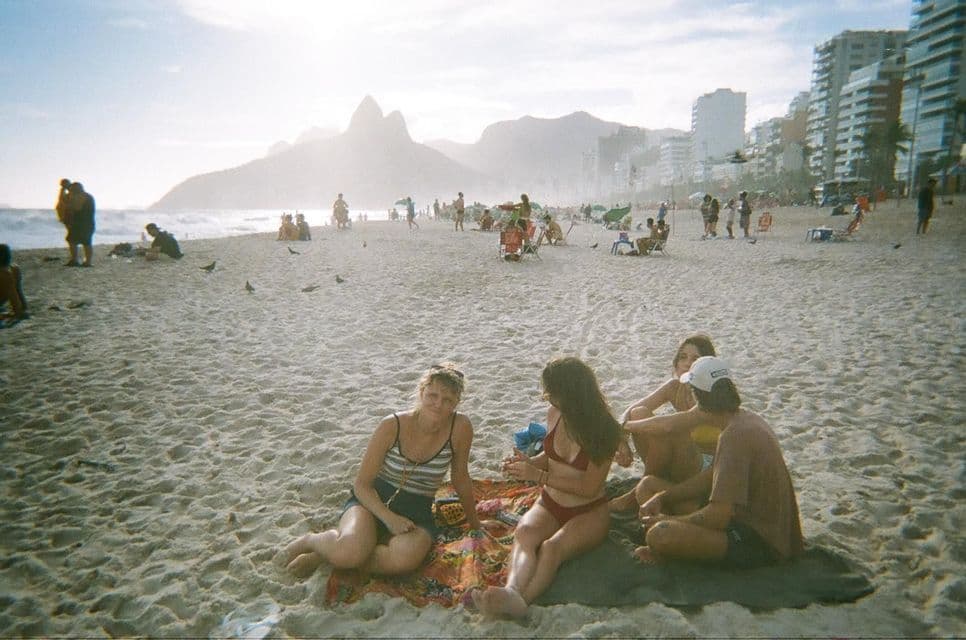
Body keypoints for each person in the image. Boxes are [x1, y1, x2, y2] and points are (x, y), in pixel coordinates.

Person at [284, 363, 484, 578]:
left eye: (447, 400)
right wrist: (388, 518)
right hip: (371, 502)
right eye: (432, 395)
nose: (438, 404)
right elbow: (361, 485)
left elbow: (460, 477)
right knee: (349, 551)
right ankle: (312, 542)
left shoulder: (460, 428)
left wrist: (475, 525)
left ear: (456, 403)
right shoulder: (392, 425)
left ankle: (333, 557)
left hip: (417, 511)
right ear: (421, 392)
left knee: (404, 559)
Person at [472, 357, 622, 619]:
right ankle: (511, 590)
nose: (547, 397)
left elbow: (589, 487)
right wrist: (527, 463)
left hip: (588, 511)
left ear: (571, 394)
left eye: (552, 392)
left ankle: (522, 601)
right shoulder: (555, 415)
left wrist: (538, 475)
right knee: (525, 533)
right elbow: (550, 458)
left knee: (552, 548)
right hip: (550, 503)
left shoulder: (604, 430)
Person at [634, 356, 804, 568]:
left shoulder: (734, 436)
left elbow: (719, 517)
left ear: (698, 399)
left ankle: (668, 551)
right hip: (745, 521)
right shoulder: (744, 419)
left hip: (759, 540)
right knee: (649, 486)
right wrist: (663, 496)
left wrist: (668, 522)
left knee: (659, 535)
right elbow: (709, 479)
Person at [609, 334, 719, 513]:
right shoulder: (674, 387)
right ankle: (649, 484)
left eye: (695, 359)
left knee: (670, 429)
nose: (686, 363)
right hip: (680, 462)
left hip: (706, 469)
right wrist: (622, 439)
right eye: (683, 357)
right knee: (640, 413)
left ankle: (634, 496)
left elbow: (670, 426)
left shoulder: (711, 394)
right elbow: (631, 411)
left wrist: (628, 427)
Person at [63, 182, 95, 267]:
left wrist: (69, 205)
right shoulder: (84, 196)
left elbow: (77, 207)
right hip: (80, 223)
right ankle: (77, 260)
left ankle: (86, 262)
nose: (72, 191)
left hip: (84, 224)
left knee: (85, 242)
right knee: (74, 241)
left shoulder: (84, 196)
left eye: (73, 189)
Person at [0, 244, 28, 322]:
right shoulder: (12, 270)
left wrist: (18, 311)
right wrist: (20, 310)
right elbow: (17, 294)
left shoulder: (8, 272)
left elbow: (15, 294)